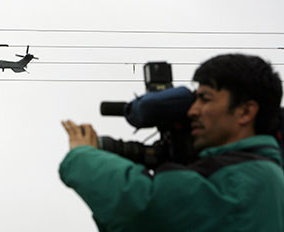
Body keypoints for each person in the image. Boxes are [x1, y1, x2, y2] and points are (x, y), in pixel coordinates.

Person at [59, 54, 284, 232]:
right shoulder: (253, 173)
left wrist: (84, 156)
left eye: (205, 99)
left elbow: (146, 208)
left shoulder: (249, 178)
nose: (193, 111)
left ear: (245, 111)